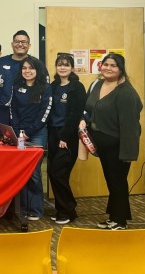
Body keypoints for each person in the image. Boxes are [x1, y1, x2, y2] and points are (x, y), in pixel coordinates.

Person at [81, 53, 142, 230]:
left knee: (117, 182)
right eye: (105, 64)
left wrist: (128, 154)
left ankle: (120, 221)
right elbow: (88, 107)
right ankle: (114, 216)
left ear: (121, 69)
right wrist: (84, 119)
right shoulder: (97, 84)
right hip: (103, 146)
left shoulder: (126, 93)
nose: (108, 68)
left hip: (119, 146)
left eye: (113, 65)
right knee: (112, 181)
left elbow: (130, 126)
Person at [11, 56, 52, 221]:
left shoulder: (45, 88)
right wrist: (16, 131)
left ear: (38, 70)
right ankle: (23, 208)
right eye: (24, 68)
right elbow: (13, 110)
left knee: (34, 172)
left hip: (37, 134)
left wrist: (28, 131)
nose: (27, 71)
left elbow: (45, 113)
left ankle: (35, 209)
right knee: (21, 170)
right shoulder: (17, 87)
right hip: (19, 134)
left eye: (31, 68)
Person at [47, 53, 86, 224]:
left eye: (66, 64)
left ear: (72, 68)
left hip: (67, 135)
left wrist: (65, 136)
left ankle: (68, 209)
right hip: (52, 134)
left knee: (59, 173)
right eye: (59, 64)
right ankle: (64, 209)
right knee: (52, 173)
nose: (62, 67)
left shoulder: (77, 87)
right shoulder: (53, 86)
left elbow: (75, 114)